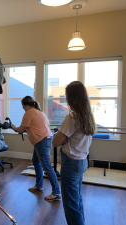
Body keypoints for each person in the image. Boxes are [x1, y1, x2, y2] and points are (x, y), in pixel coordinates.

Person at [52, 81, 96, 225]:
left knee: (70, 204)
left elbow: (55, 142)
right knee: (76, 199)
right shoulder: (88, 116)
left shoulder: (71, 118)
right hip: (82, 161)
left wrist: (63, 138)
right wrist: (65, 138)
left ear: (72, 97)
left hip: (70, 162)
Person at [12, 96, 61, 201]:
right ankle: (39, 186)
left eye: (23, 106)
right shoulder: (39, 112)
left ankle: (56, 192)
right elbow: (32, 128)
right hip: (44, 139)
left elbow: (21, 129)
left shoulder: (28, 113)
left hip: (41, 141)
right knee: (36, 161)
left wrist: (14, 127)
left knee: (47, 166)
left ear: (25, 105)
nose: (23, 108)